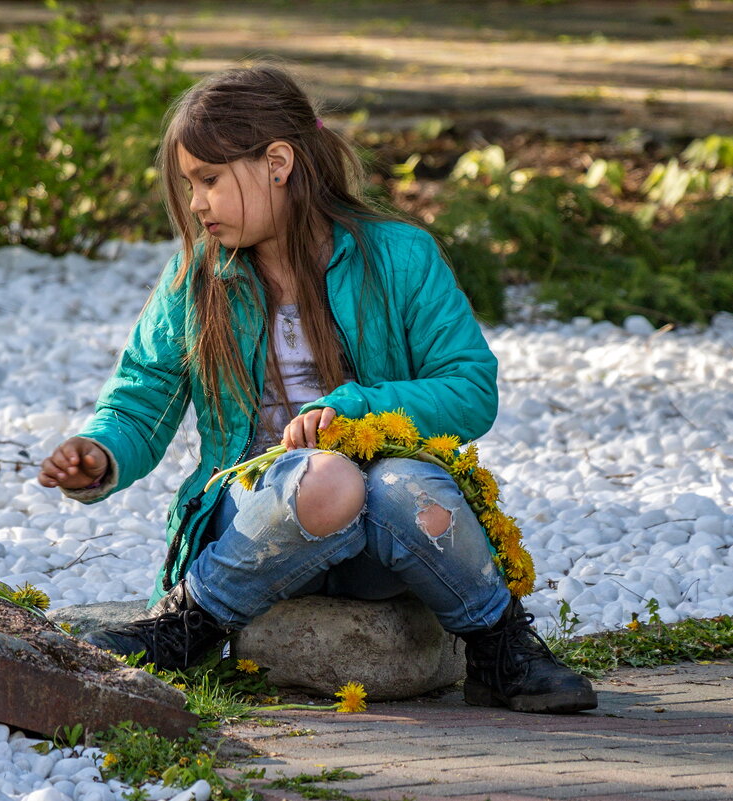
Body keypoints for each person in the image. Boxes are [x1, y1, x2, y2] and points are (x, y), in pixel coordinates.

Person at [37, 65, 595, 714]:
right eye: (190, 185)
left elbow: (469, 388)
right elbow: (141, 396)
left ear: (277, 162)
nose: (195, 204)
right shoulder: (196, 279)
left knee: (401, 487)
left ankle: (501, 648)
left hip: (381, 527)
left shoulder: (401, 256)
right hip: (254, 510)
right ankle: (186, 623)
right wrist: (99, 451)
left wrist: (355, 405)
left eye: (209, 181)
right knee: (328, 481)